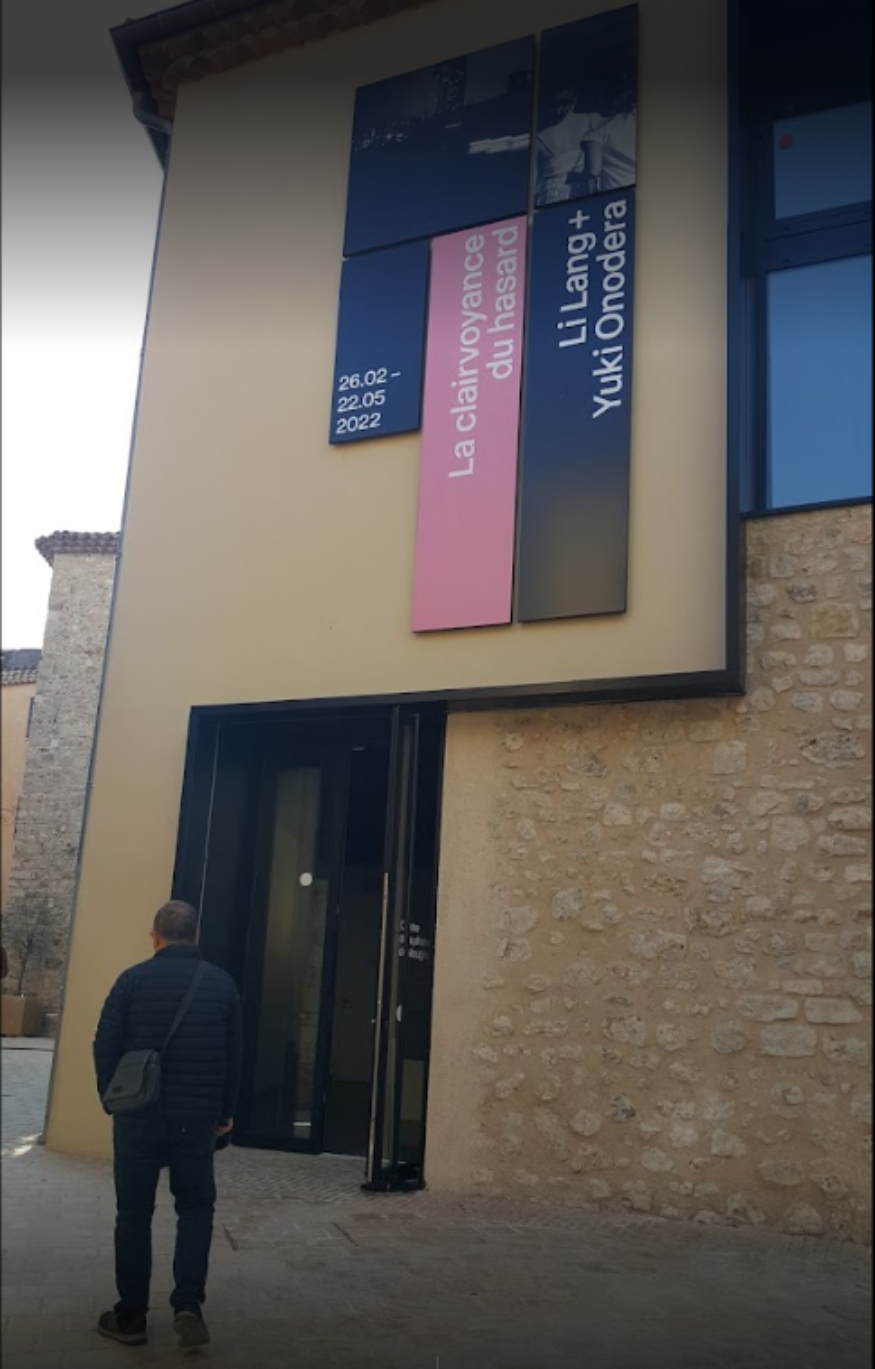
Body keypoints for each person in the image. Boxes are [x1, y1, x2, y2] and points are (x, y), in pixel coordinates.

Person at [93, 899, 243, 1349]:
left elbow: (105, 1044)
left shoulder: (131, 981)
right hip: (194, 1121)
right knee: (195, 1208)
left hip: (138, 1116)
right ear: (196, 935)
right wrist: (224, 1112)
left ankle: (131, 1317)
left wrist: (112, 1098)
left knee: (133, 1213)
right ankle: (188, 1305)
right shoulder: (221, 985)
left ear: (155, 936)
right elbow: (233, 1056)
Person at [536, 88, 601, 204]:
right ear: (575, 100)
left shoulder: (540, 136)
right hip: (585, 184)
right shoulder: (592, 120)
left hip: (552, 191)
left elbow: (534, 179)